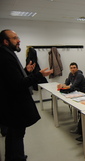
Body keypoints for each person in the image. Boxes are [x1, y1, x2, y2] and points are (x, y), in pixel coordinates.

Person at [0, 29, 53, 161]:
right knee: (16, 134)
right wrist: (38, 75)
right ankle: (17, 158)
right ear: (6, 41)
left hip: (11, 105)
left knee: (13, 134)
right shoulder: (5, 57)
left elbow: (13, 79)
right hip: (14, 107)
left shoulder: (7, 53)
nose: (19, 40)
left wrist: (26, 71)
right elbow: (18, 84)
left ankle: (15, 156)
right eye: (14, 38)